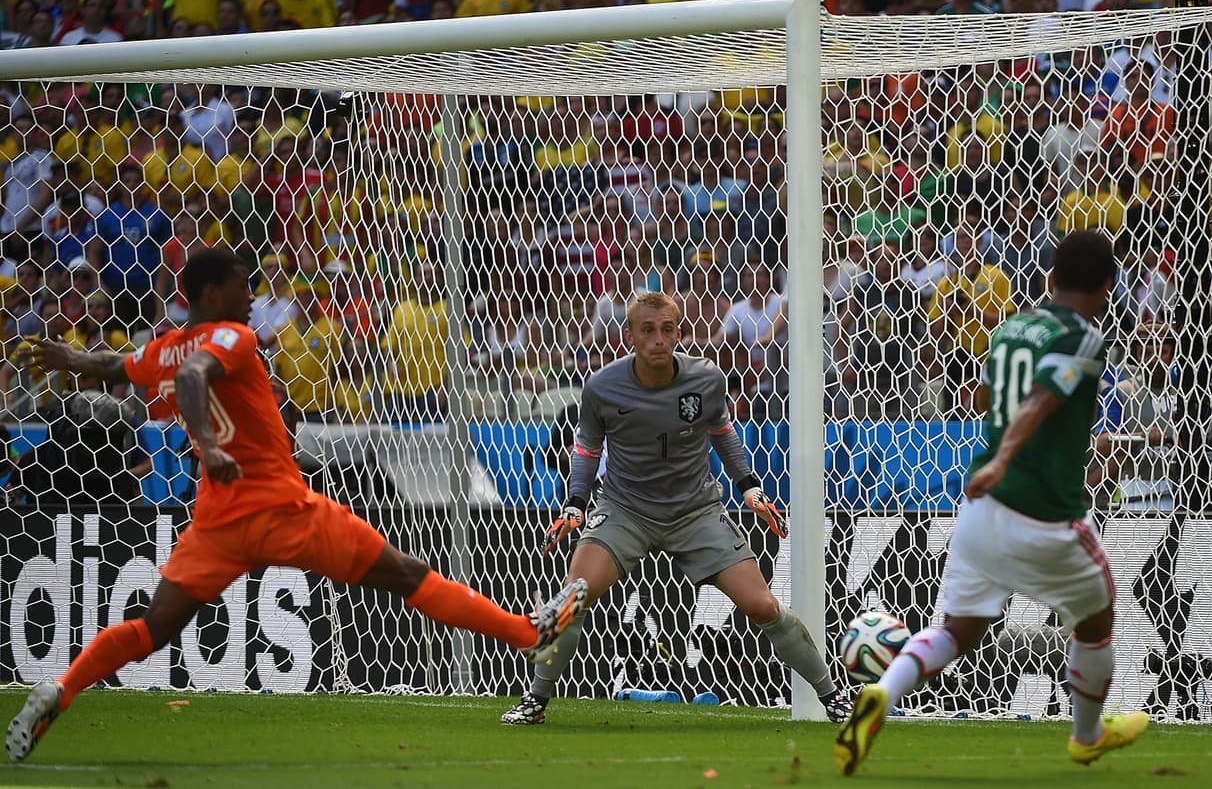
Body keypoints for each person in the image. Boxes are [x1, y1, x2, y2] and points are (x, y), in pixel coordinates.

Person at [5, 248, 588, 763]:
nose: (253, 293)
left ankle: (60, 690)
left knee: (153, 627)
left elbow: (120, 367)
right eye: (243, 284)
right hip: (281, 509)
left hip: (218, 522)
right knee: (405, 573)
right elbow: (193, 379)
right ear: (213, 294)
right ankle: (525, 634)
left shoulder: (165, 345)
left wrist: (68, 359)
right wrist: (208, 447)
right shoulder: (230, 337)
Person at [835, 231, 1148, 776]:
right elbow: (1040, 400)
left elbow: (984, 398)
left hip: (981, 511)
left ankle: (882, 694)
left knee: (957, 630)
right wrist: (1007, 456)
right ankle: (1087, 735)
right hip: (1045, 512)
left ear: (1050, 277)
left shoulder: (1011, 328)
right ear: (1108, 284)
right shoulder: (1083, 337)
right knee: (1097, 619)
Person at [501, 291, 850, 726]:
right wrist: (575, 502)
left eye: (668, 329)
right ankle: (535, 700)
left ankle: (833, 697)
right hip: (624, 510)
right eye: (647, 330)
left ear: (680, 333)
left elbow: (722, 432)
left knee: (763, 606)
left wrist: (750, 487)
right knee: (574, 596)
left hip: (696, 512)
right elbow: (588, 447)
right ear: (628, 335)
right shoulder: (602, 387)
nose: (658, 339)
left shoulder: (705, 379)